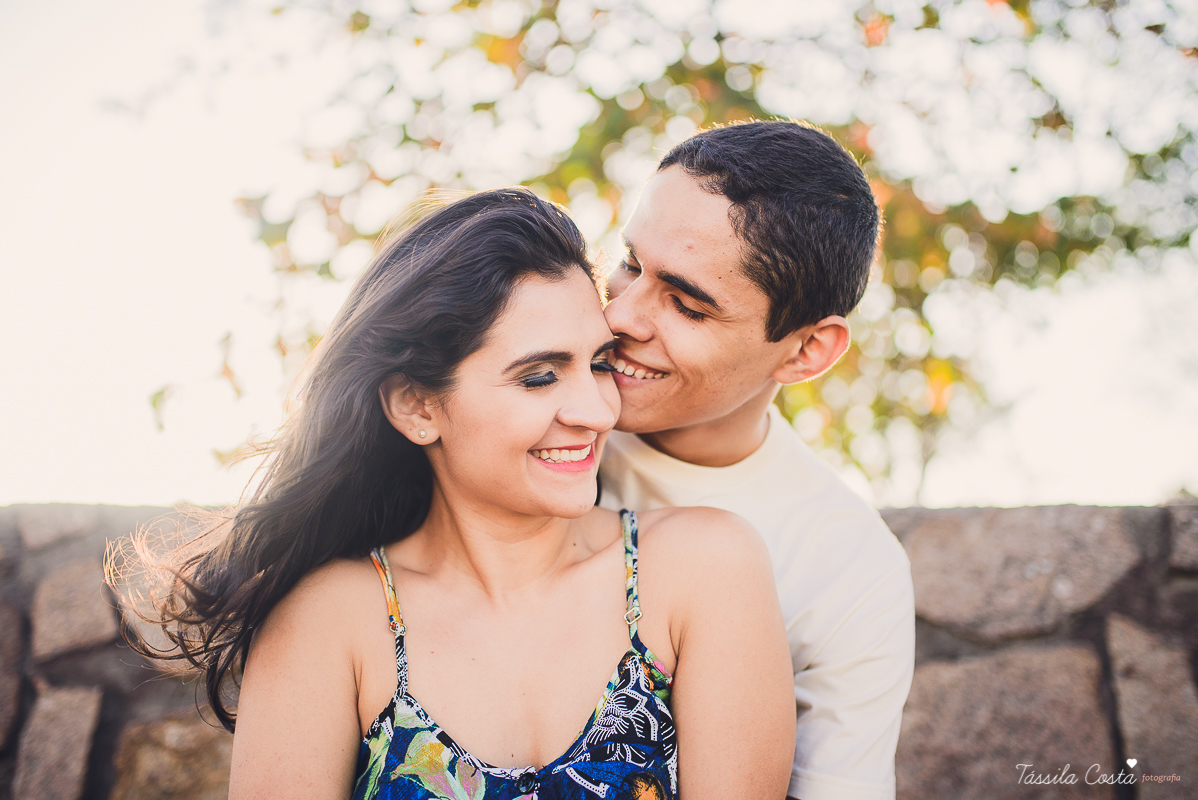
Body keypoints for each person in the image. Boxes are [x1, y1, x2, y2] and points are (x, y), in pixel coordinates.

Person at [117, 188, 795, 800]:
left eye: (597, 364)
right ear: (417, 406)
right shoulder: (330, 620)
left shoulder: (704, 568)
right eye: (538, 377)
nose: (594, 411)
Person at [597, 121, 915, 800]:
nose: (622, 315)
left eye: (685, 304)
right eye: (629, 263)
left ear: (806, 352)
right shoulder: (509, 417)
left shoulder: (848, 570)